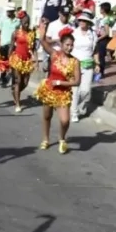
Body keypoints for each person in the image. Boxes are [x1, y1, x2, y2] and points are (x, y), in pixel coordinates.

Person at [35, 23, 80, 154]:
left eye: (72, 45)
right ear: (61, 44)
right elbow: (43, 42)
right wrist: (42, 32)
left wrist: (61, 83)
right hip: (49, 90)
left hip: (63, 93)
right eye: (67, 45)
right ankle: (45, 139)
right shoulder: (54, 55)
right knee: (47, 116)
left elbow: (77, 82)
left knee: (65, 120)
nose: (70, 48)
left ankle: (62, 138)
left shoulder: (75, 61)